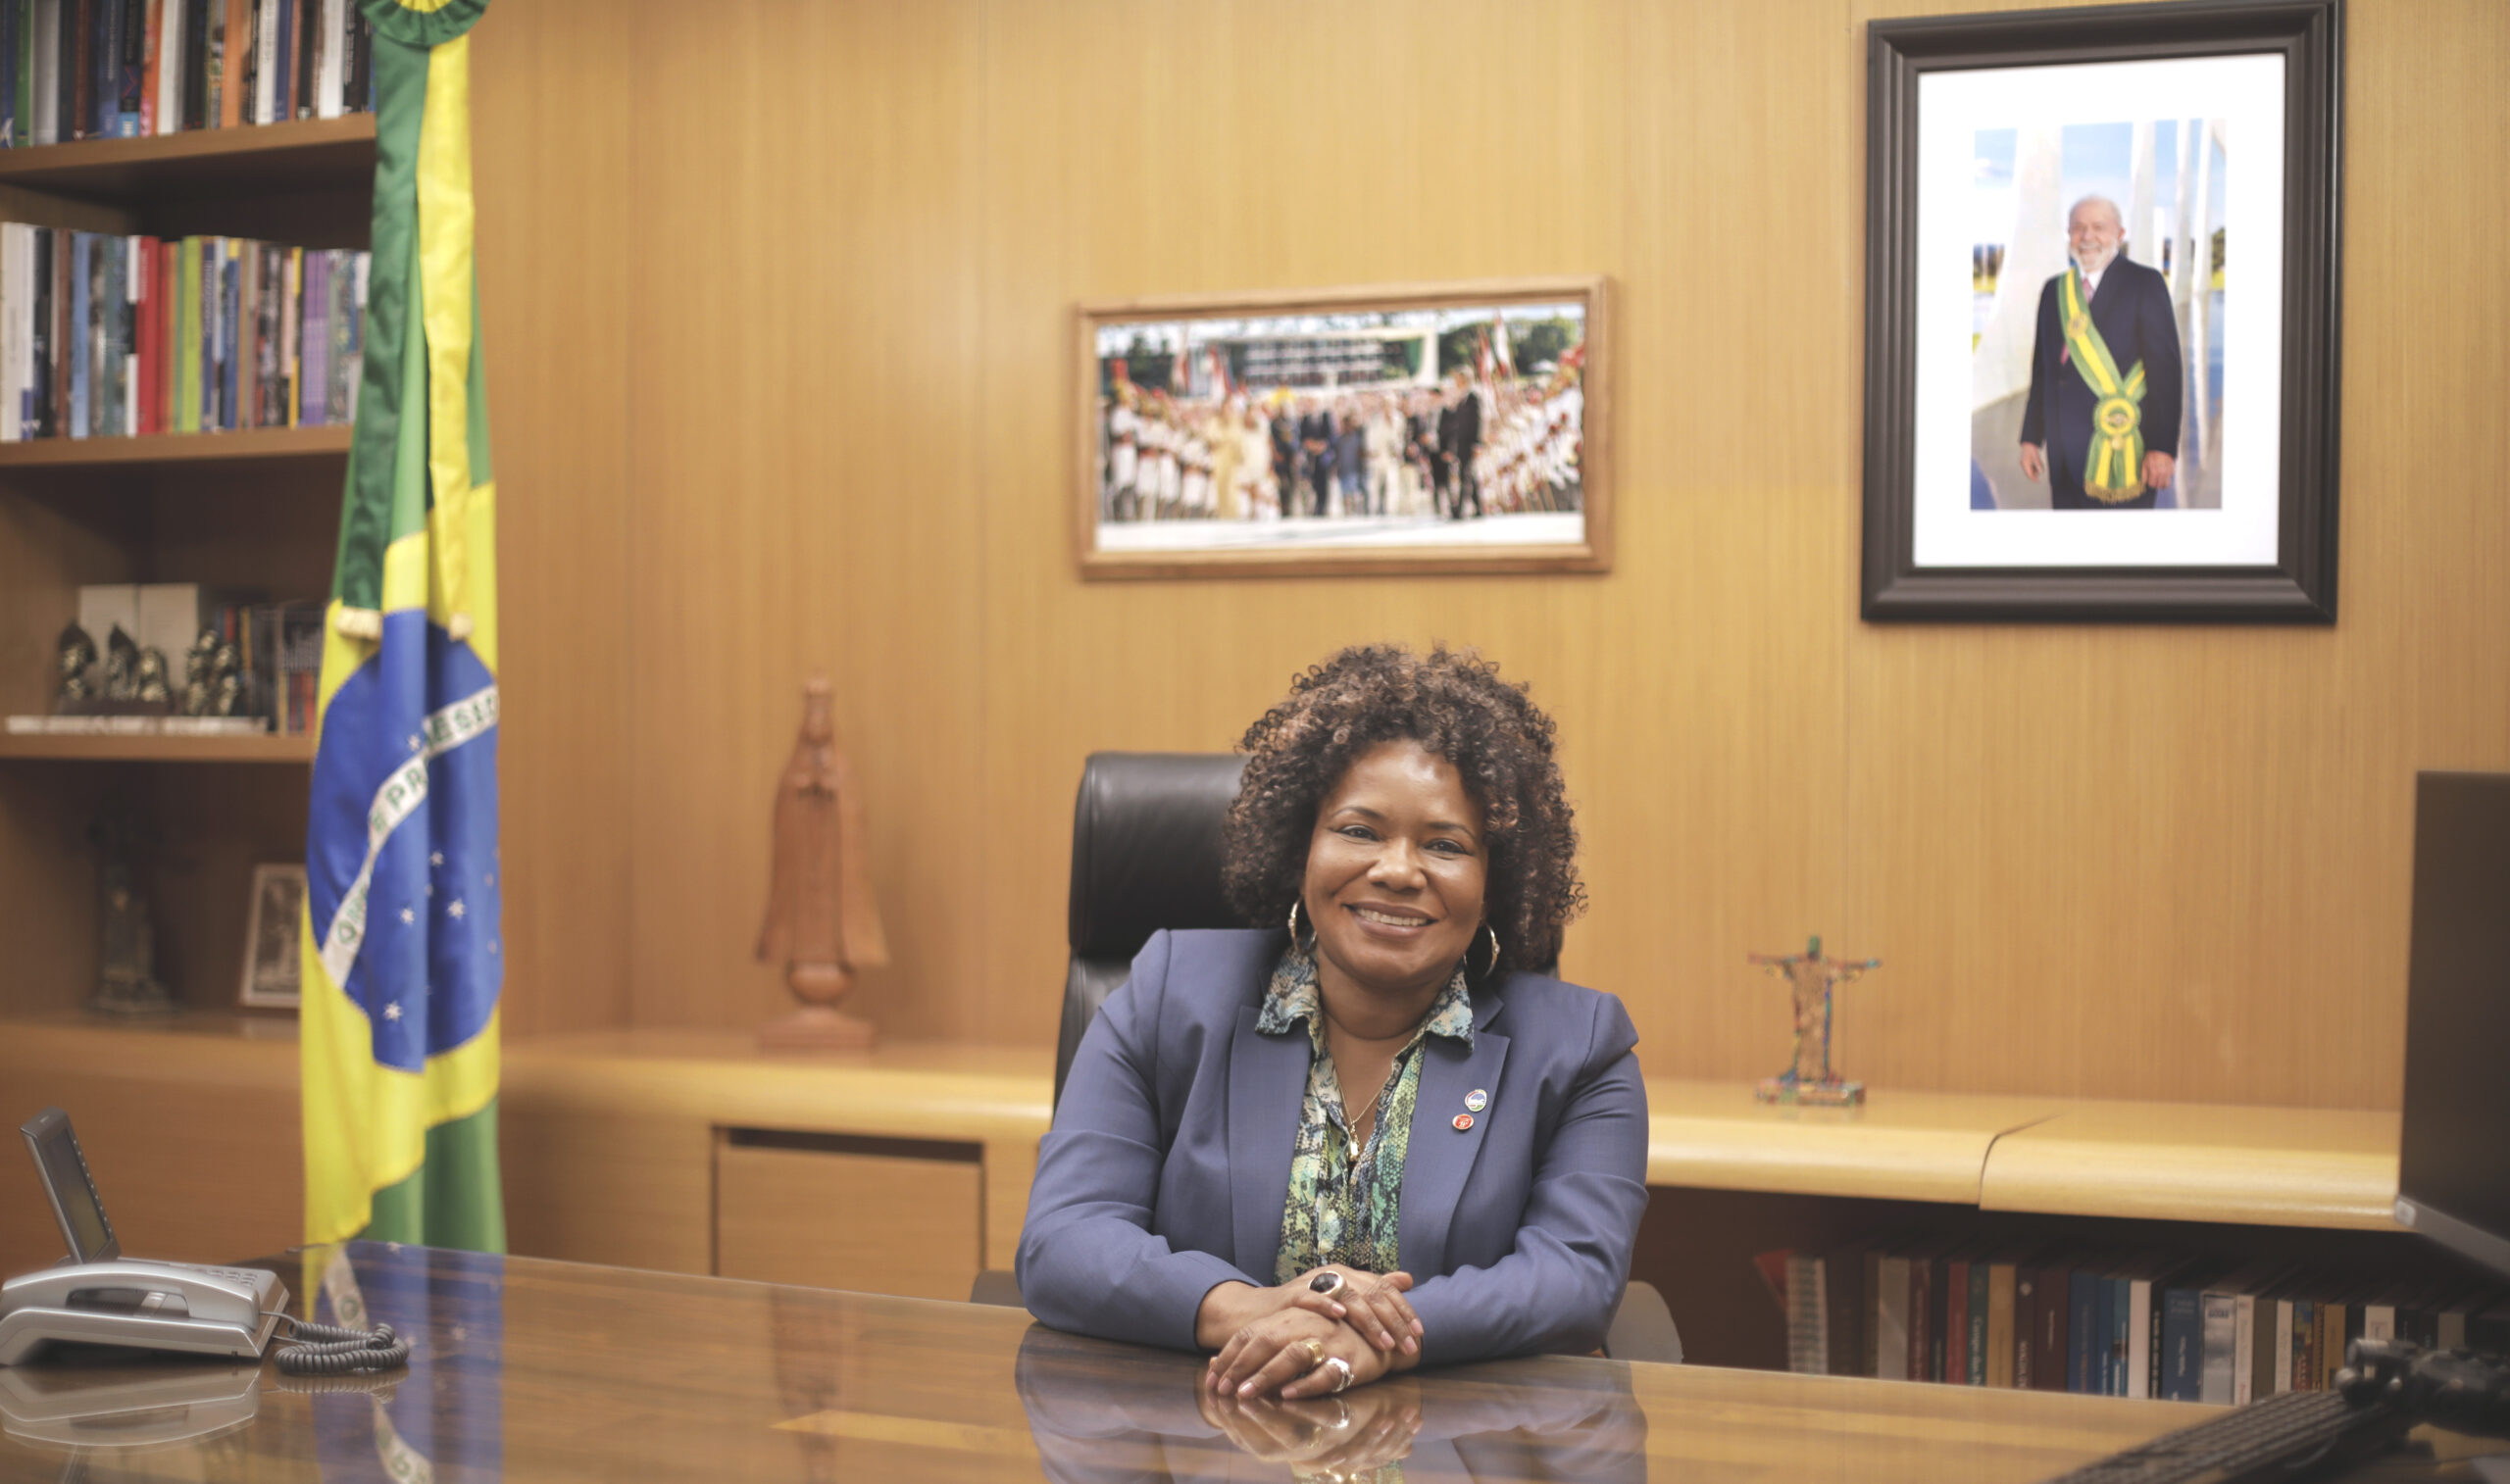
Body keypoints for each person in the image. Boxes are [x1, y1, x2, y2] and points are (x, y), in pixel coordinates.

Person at [1018, 644, 1647, 1402]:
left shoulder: (1581, 1048)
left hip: (1458, 1446)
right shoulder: (1168, 991)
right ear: (1300, 846)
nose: (1397, 869)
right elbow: (1065, 1239)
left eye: (1444, 845)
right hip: (1201, 1430)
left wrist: (1380, 1338)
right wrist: (1249, 1308)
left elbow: (1575, 1281)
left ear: (1496, 883)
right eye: (1359, 830)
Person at [2018, 195, 2184, 510]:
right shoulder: (2054, 290)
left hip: (2123, 449)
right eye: (2078, 228)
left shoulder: (2145, 283)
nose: (2087, 236)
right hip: (2062, 454)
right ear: (2069, 236)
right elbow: (2043, 371)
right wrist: (2030, 438)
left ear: (2119, 235)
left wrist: (2162, 448)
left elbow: (2166, 374)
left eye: (2098, 227)